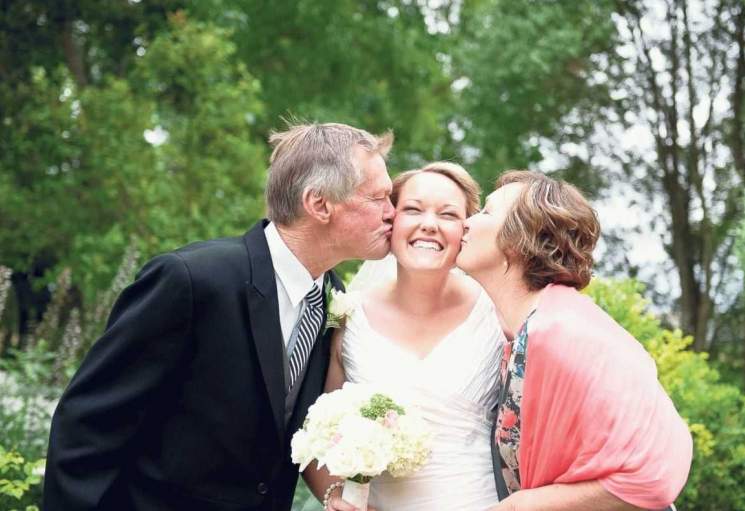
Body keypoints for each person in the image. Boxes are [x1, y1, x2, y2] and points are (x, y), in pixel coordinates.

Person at [43, 122, 395, 511]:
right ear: (319, 204)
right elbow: (88, 427)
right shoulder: (191, 281)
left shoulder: (333, 297)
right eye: (379, 198)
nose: (392, 213)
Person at [457, 170, 693, 511]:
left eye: (486, 212)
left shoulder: (561, 331)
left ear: (521, 239)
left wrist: (520, 506)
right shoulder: (535, 328)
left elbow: (653, 474)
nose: (466, 222)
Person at [303, 162, 505, 511]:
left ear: (466, 230)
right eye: (413, 209)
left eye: (448, 214)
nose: (429, 224)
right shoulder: (350, 318)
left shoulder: (498, 314)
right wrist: (333, 495)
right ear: (390, 220)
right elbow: (315, 430)